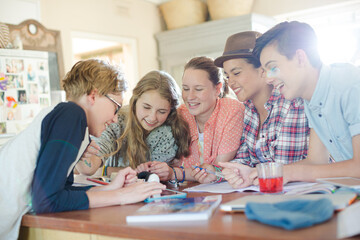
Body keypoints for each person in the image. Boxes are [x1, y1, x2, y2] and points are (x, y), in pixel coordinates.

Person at [0, 59, 165, 240]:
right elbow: (46, 202)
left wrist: (109, 189)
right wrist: (122, 195)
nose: (115, 119)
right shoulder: (71, 114)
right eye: (116, 107)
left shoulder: (67, 118)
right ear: (93, 96)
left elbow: (61, 191)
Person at [242, 20, 360, 186]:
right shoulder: (311, 99)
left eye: (273, 67)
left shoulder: (350, 85)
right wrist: (258, 173)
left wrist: (291, 172)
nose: (268, 79)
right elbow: (316, 161)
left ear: (300, 58)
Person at [213, 31, 309, 188]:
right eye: (228, 76)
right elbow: (243, 158)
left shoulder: (291, 102)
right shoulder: (247, 110)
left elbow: (283, 165)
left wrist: (249, 172)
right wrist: (232, 171)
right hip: (268, 193)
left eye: (236, 73)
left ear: (262, 70)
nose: (231, 83)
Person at [76, 70, 190, 181]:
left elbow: (149, 175)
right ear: (135, 101)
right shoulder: (116, 121)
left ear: (170, 111)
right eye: (146, 107)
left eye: (162, 111)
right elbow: (88, 168)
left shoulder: (167, 134)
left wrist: (104, 170)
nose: (152, 117)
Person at [151, 56, 244, 184]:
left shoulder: (232, 110)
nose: (190, 97)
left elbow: (215, 169)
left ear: (217, 89)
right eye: (186, 88)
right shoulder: (181, 114)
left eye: (198, 89)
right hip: (190, 191)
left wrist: (175, 172)